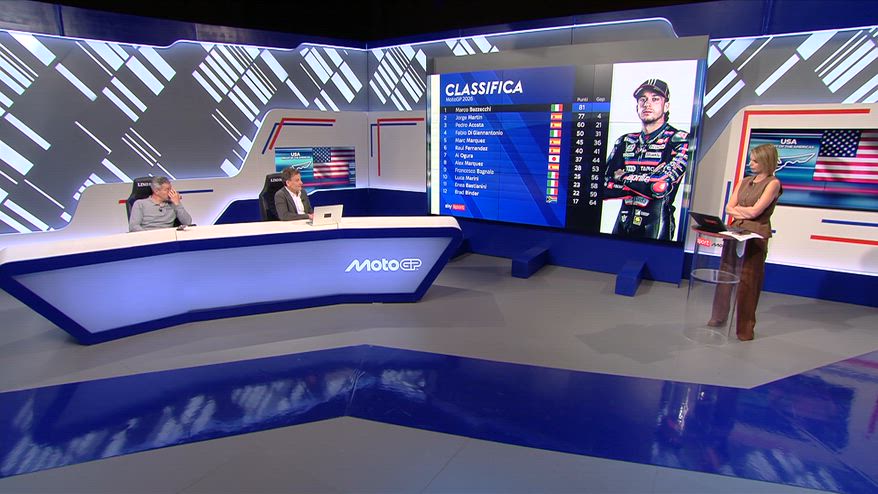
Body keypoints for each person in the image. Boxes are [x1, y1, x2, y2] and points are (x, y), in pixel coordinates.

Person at [709, 143, 783, 341]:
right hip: (734, 232)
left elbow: (755, 212)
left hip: (755, 236)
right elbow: (728, 207)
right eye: (751, 160)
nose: (751, 164)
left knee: (749, 281)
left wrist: (741, 210)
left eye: (755, 161)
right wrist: (743, 211)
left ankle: (744, 329)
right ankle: (718, 317)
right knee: (725, 274)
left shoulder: (773, 183)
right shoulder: (744, 181)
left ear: (766, 162)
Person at [603, 78, 689, 240]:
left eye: (655, 99)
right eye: (643, 99)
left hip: (656, 224)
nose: (647, 104)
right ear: (637, 106)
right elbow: (600, 186)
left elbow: (660, 186)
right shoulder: (625, 141)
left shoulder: (679, 140)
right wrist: (644, 182)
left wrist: (622, 177)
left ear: (666, 106)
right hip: (623, 222)